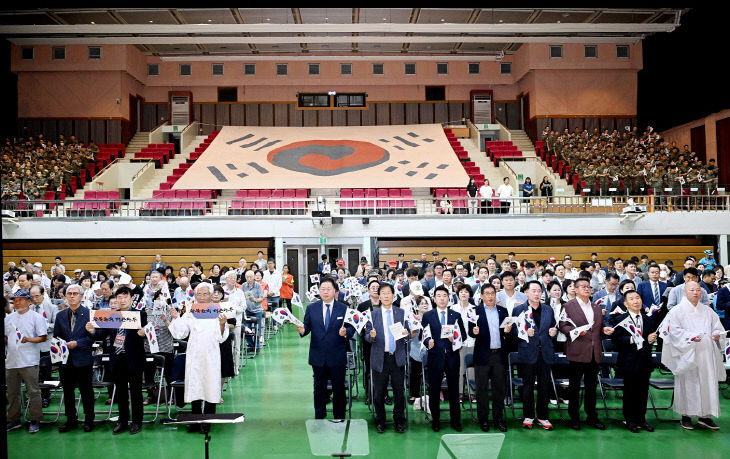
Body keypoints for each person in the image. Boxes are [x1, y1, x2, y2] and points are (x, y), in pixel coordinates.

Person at [661, 281, 725, 430]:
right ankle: (686, 416)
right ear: (684, 292)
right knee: (689, 384)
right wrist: (689, 337)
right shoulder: (676, 311)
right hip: (687, 353)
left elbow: (717, 328)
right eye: (692, 290)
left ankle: (706, 416)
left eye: (698, 290)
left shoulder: (708, 311)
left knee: (708, 383)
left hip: (707, 354)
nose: (696, 292)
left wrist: (717, 335)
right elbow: (673, 331)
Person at [169, 282, 229, 434]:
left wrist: (222, 324)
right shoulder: (190, 310)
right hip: (194, 354)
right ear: (194, 296)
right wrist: (176, 318)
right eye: (199, 294)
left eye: (205, 294)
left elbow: (221, 337)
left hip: (211, 354)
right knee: (195, 386)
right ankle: (195, 420)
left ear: (210, 296)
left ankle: (208, 421)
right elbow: (181, 333)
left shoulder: (216, 310)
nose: (202, 297)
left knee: (210, 386)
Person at [558, 278, 614, 431]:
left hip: (594, 353)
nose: (587, 289)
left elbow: (600, 326)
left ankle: (591, 416)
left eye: (588, 287)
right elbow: (562, 325)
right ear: (575, 289)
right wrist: (574, 332)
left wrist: (605, 329)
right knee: (574, 387)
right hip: (576, 352)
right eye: (583, 286)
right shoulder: (568, 306)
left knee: (591, 387)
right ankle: (574, 417)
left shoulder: (596, 307)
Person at [296, 277, 355, 419]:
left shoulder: (344, 308)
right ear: (319, 291)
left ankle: (339, 417)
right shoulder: (312, 308)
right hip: (318, 356)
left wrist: (346, 332)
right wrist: (302, 331)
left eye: (329, 289)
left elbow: (351, 328)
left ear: (335, 291)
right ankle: (319, 417)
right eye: (323, 289)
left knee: (339, 388)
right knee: (319, 389)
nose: (326, 292)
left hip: (337, 356)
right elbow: (307, 328)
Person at [91, 286, 147, 435]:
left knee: (136, 393)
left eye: (125, 297)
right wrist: (93, 331)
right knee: (120, 393)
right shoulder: (112, 315)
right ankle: (123, 421)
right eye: (119, 298)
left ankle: (136, 422)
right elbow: (102, 333)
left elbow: (148, 333)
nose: (122, 300)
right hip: (117, 358)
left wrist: (144, 333)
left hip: (134, 359)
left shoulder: (140, 314)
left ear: (131, 298)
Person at [511, 281, 558, 430]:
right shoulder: (519, 310)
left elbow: (553, 326)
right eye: (534, 291)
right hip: (528, 352)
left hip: (545, 352)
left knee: (544, 386)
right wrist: (523, 333)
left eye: (539, 291)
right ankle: (528, 416)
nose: (537, 293)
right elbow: (513, 330)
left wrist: (553, 332)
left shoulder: (548, 309)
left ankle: (543, 417)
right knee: (527, 386)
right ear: (526, 292)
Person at [421, 285, 467, 432]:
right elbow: (423, 335)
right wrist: (428, 341)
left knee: (454, 391)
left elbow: (463, 335)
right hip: (435, 357)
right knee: (434, 391)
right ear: (434, 299)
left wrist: (455, 339)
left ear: (449, 298)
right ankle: (436, 420)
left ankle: (456, 420)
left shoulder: (456, 315)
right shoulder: (428, 315)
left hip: (452, 357)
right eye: (439, 295)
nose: (442, 298)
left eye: (444, 295)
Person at [364, 283, 410, 433]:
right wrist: (371, 336)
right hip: (379, 358)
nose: (385, 296)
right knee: (378, 393)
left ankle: (399, 421)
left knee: (399, 392)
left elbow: (408, 331)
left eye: (388, 293)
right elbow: (366, 335)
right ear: (379, 296)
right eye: (382, 293)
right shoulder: (373, 314)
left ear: (393, 295)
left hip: (397, 357)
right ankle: (380, 421)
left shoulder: (401, 313)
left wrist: (406, 333)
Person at [610, 290, 657, 433]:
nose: (636, 301)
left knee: (643, 391)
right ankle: (630, 420)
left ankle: (641, 419)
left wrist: (651, 339)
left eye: (638, 298)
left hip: (644, 361)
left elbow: (648, 339)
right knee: (630, 392)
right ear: (626, 304)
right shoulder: (621, 320)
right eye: (631, 299)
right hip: (628, 361)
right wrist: (631, 339)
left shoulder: (648, 319)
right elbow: (615, 340)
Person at [53, 283, 98, 432]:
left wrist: (77, 343)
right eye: (69, 293)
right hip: (65, 360)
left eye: (75, 293)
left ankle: (89, 419)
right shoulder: (60, 315)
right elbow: (56, 336)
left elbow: (94, 337)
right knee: (68, 392)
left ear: (81, 296)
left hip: (83, 359)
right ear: (65, 296)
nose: (72, 296)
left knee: (86, 391)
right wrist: (61, 344)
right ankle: (71, 420)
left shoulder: (90, 314)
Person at [5, 290, 47, 434]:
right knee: (12, 392)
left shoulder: (36, 317)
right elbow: (6, 337)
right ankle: (14, 420)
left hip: (29, 360)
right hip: (11, 361)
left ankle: (35, 419)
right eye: (15, 300)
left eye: (20, 300)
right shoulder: (8, 318)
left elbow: (42, 337)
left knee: (33, 392)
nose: (16, 303)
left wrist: (28, 339)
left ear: (28, 302)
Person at [469, 283, 509, 432]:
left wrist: (508, 330)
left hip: (499, 355)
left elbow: (508, 333)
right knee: (482, 390)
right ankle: (483, 420)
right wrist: (474, 331)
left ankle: (498, 419)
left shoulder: (503, 311)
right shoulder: (475, 311)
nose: (490, 296)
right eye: (487, 293)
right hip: (482, 355)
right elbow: (470, 331)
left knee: (500, 389)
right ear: (481, 296)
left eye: (493, 293)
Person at [241, 270, 264, 353]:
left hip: (257, 310)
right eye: (247, 277)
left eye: (250, 277)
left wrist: (255, 300)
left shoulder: (258, 286)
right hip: (247, 310)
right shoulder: (243, 285)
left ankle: (257, 346)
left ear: (254, 277)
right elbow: (241, 296)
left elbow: (261, 298)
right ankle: (251, 345)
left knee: (257, 329)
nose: (249, 278)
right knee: (247, 328)